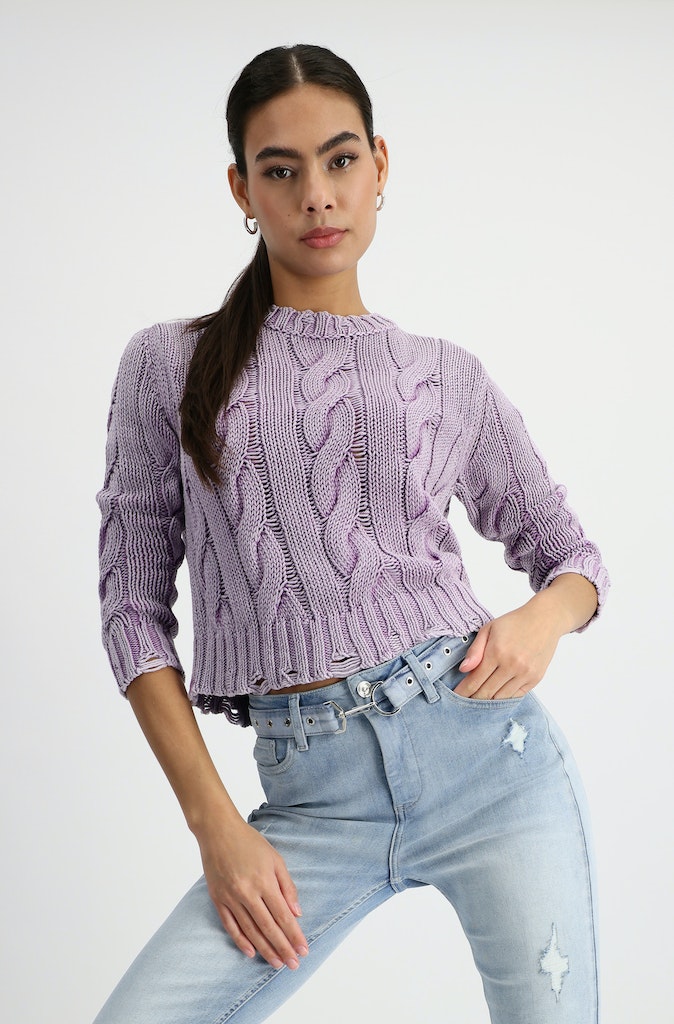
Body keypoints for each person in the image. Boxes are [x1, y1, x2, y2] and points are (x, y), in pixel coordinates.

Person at [95, 43, 608, 1024]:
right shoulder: (168, 365)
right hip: (311, 803)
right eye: (281, 171)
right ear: (242, 190)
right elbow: (129, 612)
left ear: (378, 166)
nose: (317, 196)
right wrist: (215, 826)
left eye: (339, 161)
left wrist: (541, 620)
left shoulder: (444, 375)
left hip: (489, 762)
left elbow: (572, 559)